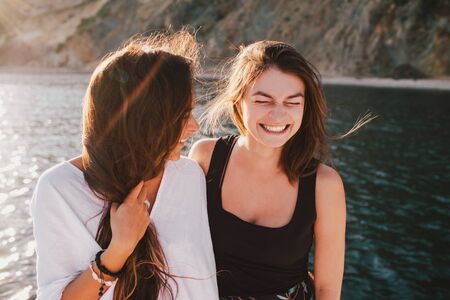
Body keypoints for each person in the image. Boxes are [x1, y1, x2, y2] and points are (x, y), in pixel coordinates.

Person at [31, 30, 218, 300]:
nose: (195, 126)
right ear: (145, 120)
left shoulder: (190, 176)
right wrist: (119, 249)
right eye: (183, 115)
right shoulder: (60, 189)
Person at [190, 41, 370, 300]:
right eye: (263, 100)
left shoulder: (324, 184)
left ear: (305, 107)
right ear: (239, 101)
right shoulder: (205, 157)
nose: (278, 115)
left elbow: (327, 290)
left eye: (292, 102)